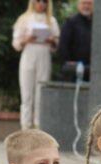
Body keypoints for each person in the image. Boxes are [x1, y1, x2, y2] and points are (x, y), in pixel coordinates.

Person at [13, 0, 60, 130]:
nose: (41, 4)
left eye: (44, 1)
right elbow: (16, 43)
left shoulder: (51, 20)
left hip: (44, 54)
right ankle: (25, 126)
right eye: (38, 1)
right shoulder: (24, 19)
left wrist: (51, 40)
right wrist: (26, 39)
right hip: (28, 54)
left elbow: (56, 43)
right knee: (26, 94)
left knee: (41, 91)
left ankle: (39, 126)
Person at [58, 0, 93, 82]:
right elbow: (63, 45)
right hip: (74, 69)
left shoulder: (97, 23)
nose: (86, 6)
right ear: (79, 5)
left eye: (89, 3)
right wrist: (68, 62)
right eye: (84, 3)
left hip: (93, 70)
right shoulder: (71, 22)